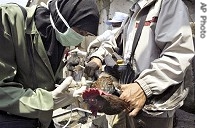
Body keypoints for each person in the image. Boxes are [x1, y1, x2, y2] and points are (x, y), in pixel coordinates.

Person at [84, 0, 194, 128]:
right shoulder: (135, 10)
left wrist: (144, 86)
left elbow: (178, 55)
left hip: (154, 105)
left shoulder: (168, 4)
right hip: (131, 98)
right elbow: (115, 40)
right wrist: (97, 57)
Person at [0, 0, 99, 128]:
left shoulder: (58, 37)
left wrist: (69, 89)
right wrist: (49, 100)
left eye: (85, 35)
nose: (80, 38)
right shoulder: (9, 19)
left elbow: (42, 80)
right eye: (80, 31)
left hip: (38, 121)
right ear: (64, 18)